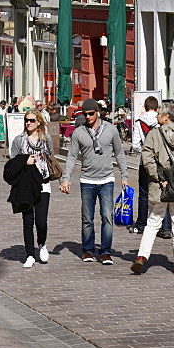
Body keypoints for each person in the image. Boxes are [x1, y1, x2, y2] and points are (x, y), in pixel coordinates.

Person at [60, 97, 128, 264]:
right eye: (85, 114)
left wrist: (124, 176)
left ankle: (105, 251)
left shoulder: (111, 130)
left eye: (91, 113)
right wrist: (66, 178)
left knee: (107, 216)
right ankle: (88, 250)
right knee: (87, 217)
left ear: (98, 113)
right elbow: (72, 156)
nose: (88, 117)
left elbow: (119, 153)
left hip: (107, 179)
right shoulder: (78, 133)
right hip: (87, 180)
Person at [131, 103, 174, 275]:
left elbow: (147, 158)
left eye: (159, 114)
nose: (157, 116)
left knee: (153, 222)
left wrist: (159, 178)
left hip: (159, 186)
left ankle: (142, 256)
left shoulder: (153, 135)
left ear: (166, 117)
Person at [10, 109, 56, 268]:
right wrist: (24, 161)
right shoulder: (19, 140)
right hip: (26, 186)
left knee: (41, 221)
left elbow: (50, 158)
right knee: (28, 221)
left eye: (31, 120)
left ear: (38, 122)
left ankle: (42, 244)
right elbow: (12, 163)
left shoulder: (46, 139)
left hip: (43, 184)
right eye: (26, 120)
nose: (28, 123)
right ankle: (29, 254)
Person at [129, 96, 172, 239]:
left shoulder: (139, 122)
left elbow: (135, 145)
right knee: (163, 192)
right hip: (162, 161)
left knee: (143, 193)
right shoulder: (162, 121)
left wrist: (143, 150)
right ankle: (166, 227)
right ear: (157, 108)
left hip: (145, 163)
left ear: (145, 107)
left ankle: (141, 224)